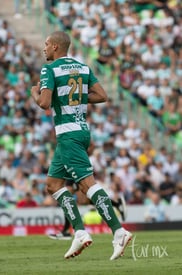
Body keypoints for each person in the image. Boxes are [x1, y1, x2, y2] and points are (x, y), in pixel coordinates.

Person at [30, 31, 132, 260]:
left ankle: (118, 231)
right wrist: (73, 98)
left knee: (87, 185)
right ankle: (79, 232)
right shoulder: (82, 67)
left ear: (56, 47)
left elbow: (45, 104)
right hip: (81, 131)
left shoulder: (49, 69)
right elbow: (102, 95)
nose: (44, 48)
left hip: (67, 134)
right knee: (53, 184)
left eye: (46, 44)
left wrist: (35, 93)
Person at [49, 180, 126, 240]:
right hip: (70, 168)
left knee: (73, 198)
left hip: (72, 167)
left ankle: (66, 231)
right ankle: (117, 204)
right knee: (73, 198)